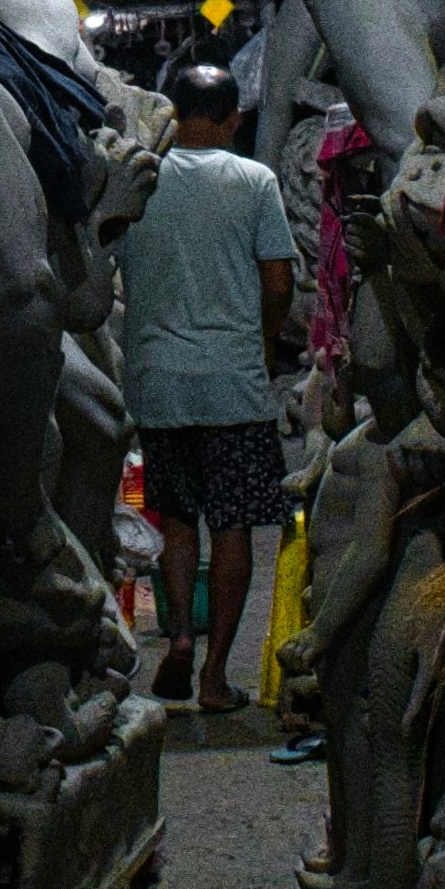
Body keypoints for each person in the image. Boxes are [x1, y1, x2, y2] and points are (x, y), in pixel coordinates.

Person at [111, 61, 299, 712]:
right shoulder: (253, 180)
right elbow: (278, 283)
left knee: (177, 521)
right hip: (232, 382)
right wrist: (266, 345)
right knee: (233, 528)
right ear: (232, 119)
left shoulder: (141, 177)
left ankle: (180, 642)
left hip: (158, 383)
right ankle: (216, 675)